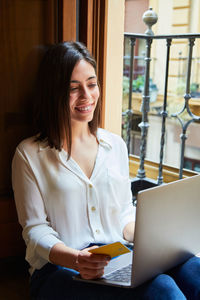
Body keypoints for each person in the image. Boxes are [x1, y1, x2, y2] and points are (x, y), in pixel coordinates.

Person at [12, 41, 200, 300]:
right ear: (53, 93)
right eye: (73, 88)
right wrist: (75, 258)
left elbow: (123, 212)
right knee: (163, 290)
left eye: (91, 84)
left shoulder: (115, 146)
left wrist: (150, 237)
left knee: (194, 269)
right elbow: (34, 229)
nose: (87, 96)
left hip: (117, 256)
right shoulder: (30, 154)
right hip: (60, 269)